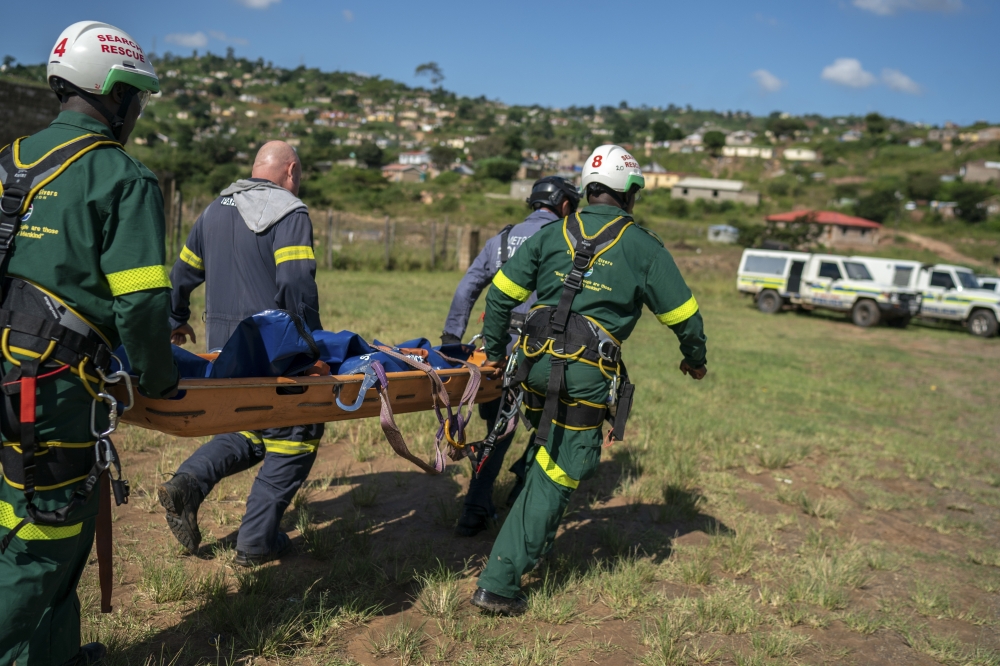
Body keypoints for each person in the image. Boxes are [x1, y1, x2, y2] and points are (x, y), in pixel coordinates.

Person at [0, 21, 178, 665]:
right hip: (50, 390)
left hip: (10, 370)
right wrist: (160, 381)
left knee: (53, 519)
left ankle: (49, 656)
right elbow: (142, 301)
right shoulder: (121, 177)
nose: (135, 111)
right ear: (115, 93)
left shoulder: (13, 161)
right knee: (44, 535)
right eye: (135, 96)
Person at [470, 145, 708, 615]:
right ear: (631, 195)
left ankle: (525, 541)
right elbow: (686, 317)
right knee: (560, 469)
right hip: (583, 376)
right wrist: (694, 359)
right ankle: (499, 583)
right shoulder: (644, 246)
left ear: (586, 189)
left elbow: (498, 297)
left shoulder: (553, 233)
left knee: (545, 452)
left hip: (532, 366)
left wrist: (494, 355)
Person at [158, 141, 324, 567]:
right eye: (298, 175)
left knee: (247, 425)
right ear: (290, 171)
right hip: (271, 351)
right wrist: (310, 349)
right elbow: (296, 283)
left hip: (221, 351)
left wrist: (176, 318)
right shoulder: (290, 211)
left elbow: (181, 272)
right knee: (297, 433)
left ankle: (187, 484)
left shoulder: (215, 209)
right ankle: (256, 542)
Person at [441, 176, 580, 537]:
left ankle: (486, 500)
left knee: (497, 425)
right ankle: (486, 500)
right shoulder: (568, 240)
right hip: (544, 352)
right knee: (546, 425)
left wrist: (452, 337)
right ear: (565, 206)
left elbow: (468, 286)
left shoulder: (501, 240)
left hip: (495, 350)